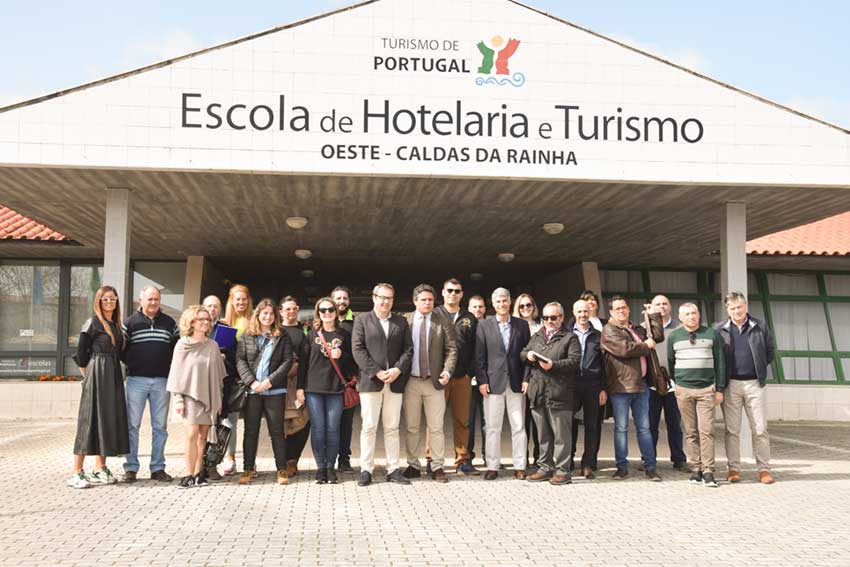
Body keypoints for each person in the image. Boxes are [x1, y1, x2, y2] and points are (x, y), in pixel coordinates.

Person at [351, 283, 414, 487]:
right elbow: (358, 349)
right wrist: (376, 372)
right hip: (371, 382)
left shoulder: (401, 322)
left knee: (392, 427)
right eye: (382, 297)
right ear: (374, 298)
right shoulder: (361, 320)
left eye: (389, 298)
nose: (385, 301)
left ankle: (393, 469)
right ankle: (366, 469)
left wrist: (397, 369)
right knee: (369, 427)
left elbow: (408, 349)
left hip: (395, 382)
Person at [67, 286, 129, 489]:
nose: (109, 302)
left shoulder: (116, 324)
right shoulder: (92, 322)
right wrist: (90, 376)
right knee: (89, 420)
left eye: (113, 299)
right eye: (105, 299)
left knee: (107, 419)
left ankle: (100, 467)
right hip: (98, 372)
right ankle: (76, 472)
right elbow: (81, 353)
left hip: (112, 374)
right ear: (98, 301)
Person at [601, 296, 664, 481]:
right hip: (621, 387)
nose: (621, 311)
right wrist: (645, 345)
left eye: (624, 307)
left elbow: (658, 336)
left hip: (642, 386)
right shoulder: (609, 330)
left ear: (629, 309)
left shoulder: (636, 328)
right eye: (617, 308)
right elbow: (625, 349)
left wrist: (653, 315)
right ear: (611, 312)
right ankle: (622, 467)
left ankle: (650, 467)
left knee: (644, 428)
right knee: (621, 428)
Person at [716, 291, 777, 485]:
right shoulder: (719, 329)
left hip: (754, 384)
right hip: (731, 385)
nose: (736, 311)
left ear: (746, 306)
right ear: (727, 309)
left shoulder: (760, 326)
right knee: (731, 430)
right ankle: (734, 469)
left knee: (760, 429)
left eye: (739, 307)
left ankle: (764, 470)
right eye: (732, 308)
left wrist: (757, 368)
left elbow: (770, 352)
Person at [122, 285, 179, 483]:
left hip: (162, 382)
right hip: (136, 381)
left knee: (160, 427)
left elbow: (177, 350)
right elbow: (122, 349)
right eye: (150, 299)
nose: (153, 302)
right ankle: (130, 468)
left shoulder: (170, 323)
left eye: (156, 299)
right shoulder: (130, 322)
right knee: (132, 426)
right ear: (141, 300)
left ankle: (157, 468)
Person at [297, 297, 356, 484]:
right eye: (323, 310)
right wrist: (300, 388)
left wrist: (343, 356)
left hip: (336, 389)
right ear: (318, 313)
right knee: (318, 429)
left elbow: (353, 364)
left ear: (336, 312)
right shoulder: (311, 334)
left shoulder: (344, 334)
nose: (328, 313)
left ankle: (331, 467)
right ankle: (320, 468)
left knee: (332, 429)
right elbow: (303, 364)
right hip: (313, 389)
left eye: (331, 310)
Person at [402, 284, 457, 483]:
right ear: (415, 301)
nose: (427, 303)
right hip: (411, 382)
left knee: (436, 427)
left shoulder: (442, 320)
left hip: (435, 382)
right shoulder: (405, 321)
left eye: (430, 300)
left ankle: (437, 466)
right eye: (423, 299)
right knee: (412, 427)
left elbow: (452, 349)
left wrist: (447, 371)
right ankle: (413, 465)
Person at [521, 302, 581, 485]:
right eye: (546, 318)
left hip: (560, 392)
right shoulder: (538, 335)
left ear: (561, 318)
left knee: (562, 435)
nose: (549, 321)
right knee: (543, 435)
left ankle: (563, 470)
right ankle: (545, 467)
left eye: (553, 318)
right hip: (538, 392)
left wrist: (553, 365)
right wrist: (528, 355)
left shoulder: (570, 338)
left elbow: (574, 361)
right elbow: (522, 353)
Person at [236, 299, 293, 485]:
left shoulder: (282, 336)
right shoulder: (247, 335)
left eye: (271, 313)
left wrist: (269, 381)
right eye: (264, 313)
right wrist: (252, 382)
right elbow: (240, 360)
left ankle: (281, 469)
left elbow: (287, 362)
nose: (268, 317)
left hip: (275, 390)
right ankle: (248, 468)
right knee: (251, 431)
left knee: (276, 431)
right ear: (258, 315)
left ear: (275, 316)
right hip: (253, 391)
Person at [167, 305, 226, 489]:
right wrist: (178, 399)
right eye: (201, 319)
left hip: (209, 395)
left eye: (207, 319)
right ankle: (188, 474)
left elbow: (218, 376)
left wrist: (218, 400)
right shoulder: (182, 344)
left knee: (203, 436)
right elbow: (176, 373)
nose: (205, 322)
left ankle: (199, 474)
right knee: (192, 434)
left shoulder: (213, 345)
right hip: (190, 396)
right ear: (191, 321)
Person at [476, 287, 531, 480]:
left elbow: (527, 356)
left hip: (516, 382)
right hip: (493, 383)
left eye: (505, 301)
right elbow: (480, 356)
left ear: (509, 302)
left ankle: (520, 465)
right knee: (492, 427)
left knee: (518, 426)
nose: (502, 304)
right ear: (493, 304)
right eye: (498, 301)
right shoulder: (484, 326)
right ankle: (492, 466)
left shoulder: (522, 326)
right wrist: (482, 380)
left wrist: (526, 378)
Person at [668, 303, 725, 487]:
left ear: (699, 315)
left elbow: (720, 362)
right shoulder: (674, 336)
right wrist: (677, 384)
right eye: (687, 314)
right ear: (680, 317)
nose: (691, 317)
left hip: (706, 390)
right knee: (691, 432)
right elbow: (671, 362)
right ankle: (696, 469)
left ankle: (708, 470)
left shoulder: (711, 334)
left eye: (694, 313)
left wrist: (720, 389)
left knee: (706, 431)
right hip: (683, 390)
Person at [433, 278, 480, 475]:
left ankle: (462, 459)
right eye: (449, 290)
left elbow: (476, 349)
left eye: (457, 291)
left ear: (462, 294)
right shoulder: (434, 314)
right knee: (435, 421)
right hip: (438, 377)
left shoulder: (469, 317)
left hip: (462, 377)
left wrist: (470, 374)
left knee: (462, 420)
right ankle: (432, 460)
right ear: (443, 292)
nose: (453, 294)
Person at [645, 295, 687, 470]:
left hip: (673, 385)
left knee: (675, 425)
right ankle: (649, 460)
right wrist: (648, 319)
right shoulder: (644, 329)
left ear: (670, 307)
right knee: (650, 425)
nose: (661, 307)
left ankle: (679, 459)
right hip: (651, 385)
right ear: (652, 307)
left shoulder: (680, 328)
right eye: (657, 304)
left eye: (664, 304)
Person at [201, 294, 238, 481]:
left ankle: (212, 465)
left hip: (220, 386)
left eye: (216, 306)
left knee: (216, 427)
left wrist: (225, 359)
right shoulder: (196, 328)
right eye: (209, 306)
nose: (212, 309)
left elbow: (236, 358)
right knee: (199, 427)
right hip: (199, 386)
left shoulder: (226, 330)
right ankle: (197, 465)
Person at [569, 299, 607, 479]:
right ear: (574, 313)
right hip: (571, 385)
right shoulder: (567, 334)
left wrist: (603, 388)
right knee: (570, 424)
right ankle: (568, 460)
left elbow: (606, 364)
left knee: (592, 426)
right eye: (579, 312)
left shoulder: (598, 335)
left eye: (586, 311)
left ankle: (588, 463)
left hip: (593, 385)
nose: (583, 315)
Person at [220, 284, 253, 476]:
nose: (241, 302)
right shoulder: (224, 323)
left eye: (244, 299)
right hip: (231, 379)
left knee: (251, 423)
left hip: (251, 377)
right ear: (231, 301)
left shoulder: (253, 322)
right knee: (230, 422)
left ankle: (250, 463)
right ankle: (230, 458)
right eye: (237, 299)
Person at [280, 296, 310, 479]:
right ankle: (282, 461)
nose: (291, 312)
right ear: (281, 311)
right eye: (287, 309)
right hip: (279, 383)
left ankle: (293, 460)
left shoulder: (304, 331)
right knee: (281, 423)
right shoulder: (275, 330)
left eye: (294, 308)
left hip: (299, 382)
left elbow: (307, 356)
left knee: (302, 422)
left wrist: (298, 367)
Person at [513, 292, 541, 468]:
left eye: (528, 305)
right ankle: (523, 457)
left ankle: (540, 457)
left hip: (539, 378)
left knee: (539, 421)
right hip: (520, 379)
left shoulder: (541, 326)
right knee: (522, 422)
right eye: (522, 306)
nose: (525, 308)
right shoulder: (515, 327)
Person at [332, 285, 357, 473]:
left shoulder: (356, 324)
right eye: (338, 298)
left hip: (348, 382)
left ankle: (344, 459)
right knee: (329, 423)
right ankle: (327, 459)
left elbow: (359, 353)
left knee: (346, 424)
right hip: (326, 382)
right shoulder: (322, 323)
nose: (342, 301)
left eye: (345, 298)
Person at [466, 294, 487, 466]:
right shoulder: (466, 328)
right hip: (469, 381)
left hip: (488, 381)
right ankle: (468, 457)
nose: (477, 310)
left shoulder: (491, 327)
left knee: (489, 422)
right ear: (469, 309)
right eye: (474, 307)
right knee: (469, 422)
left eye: (480, 306)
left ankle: (489, 455)